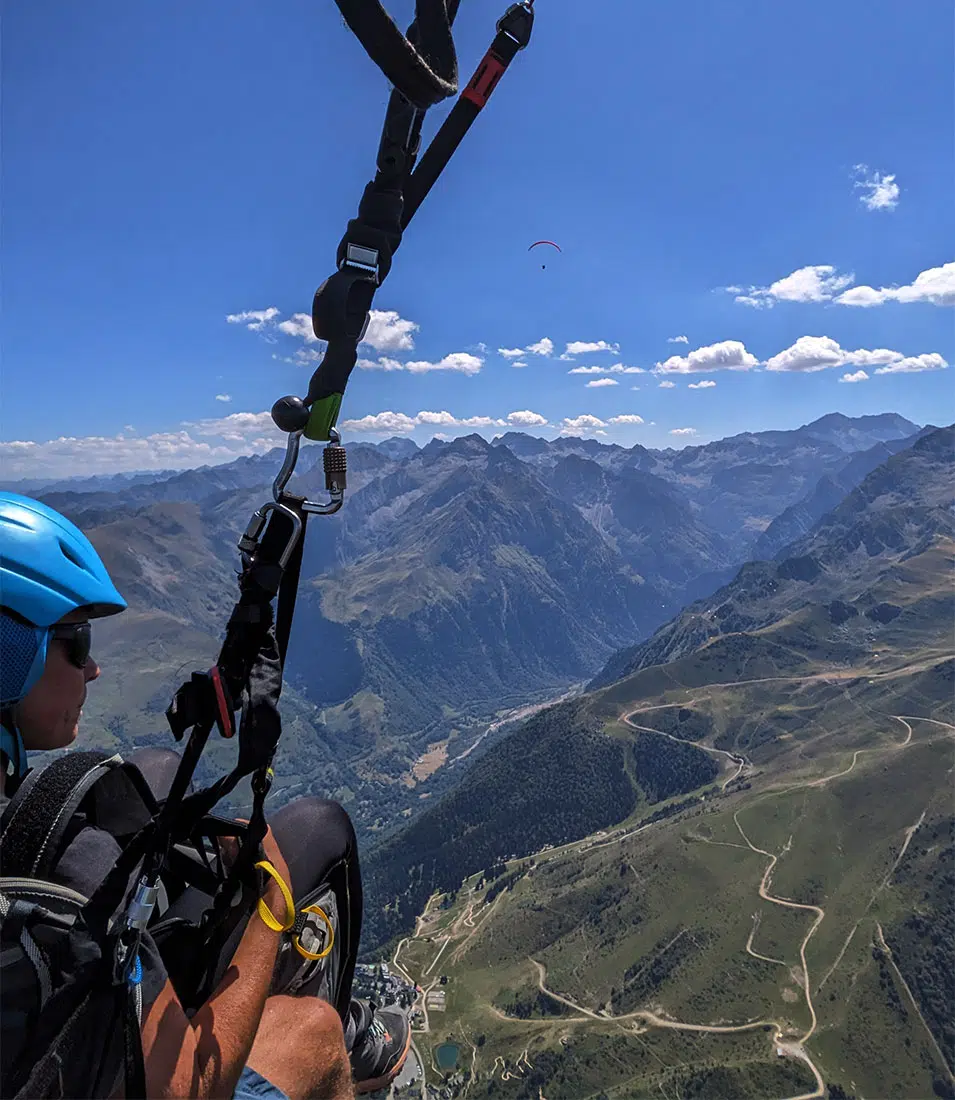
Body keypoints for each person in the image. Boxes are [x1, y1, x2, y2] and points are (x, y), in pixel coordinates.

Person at [0, 492, 411, 1099]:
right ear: (9, 654)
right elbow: (193, 1090)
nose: (93, 670)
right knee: (321, 844)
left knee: (156, 774)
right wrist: (271, 904)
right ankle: (345, 1043)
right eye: (77, 642)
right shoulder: (77, 873)